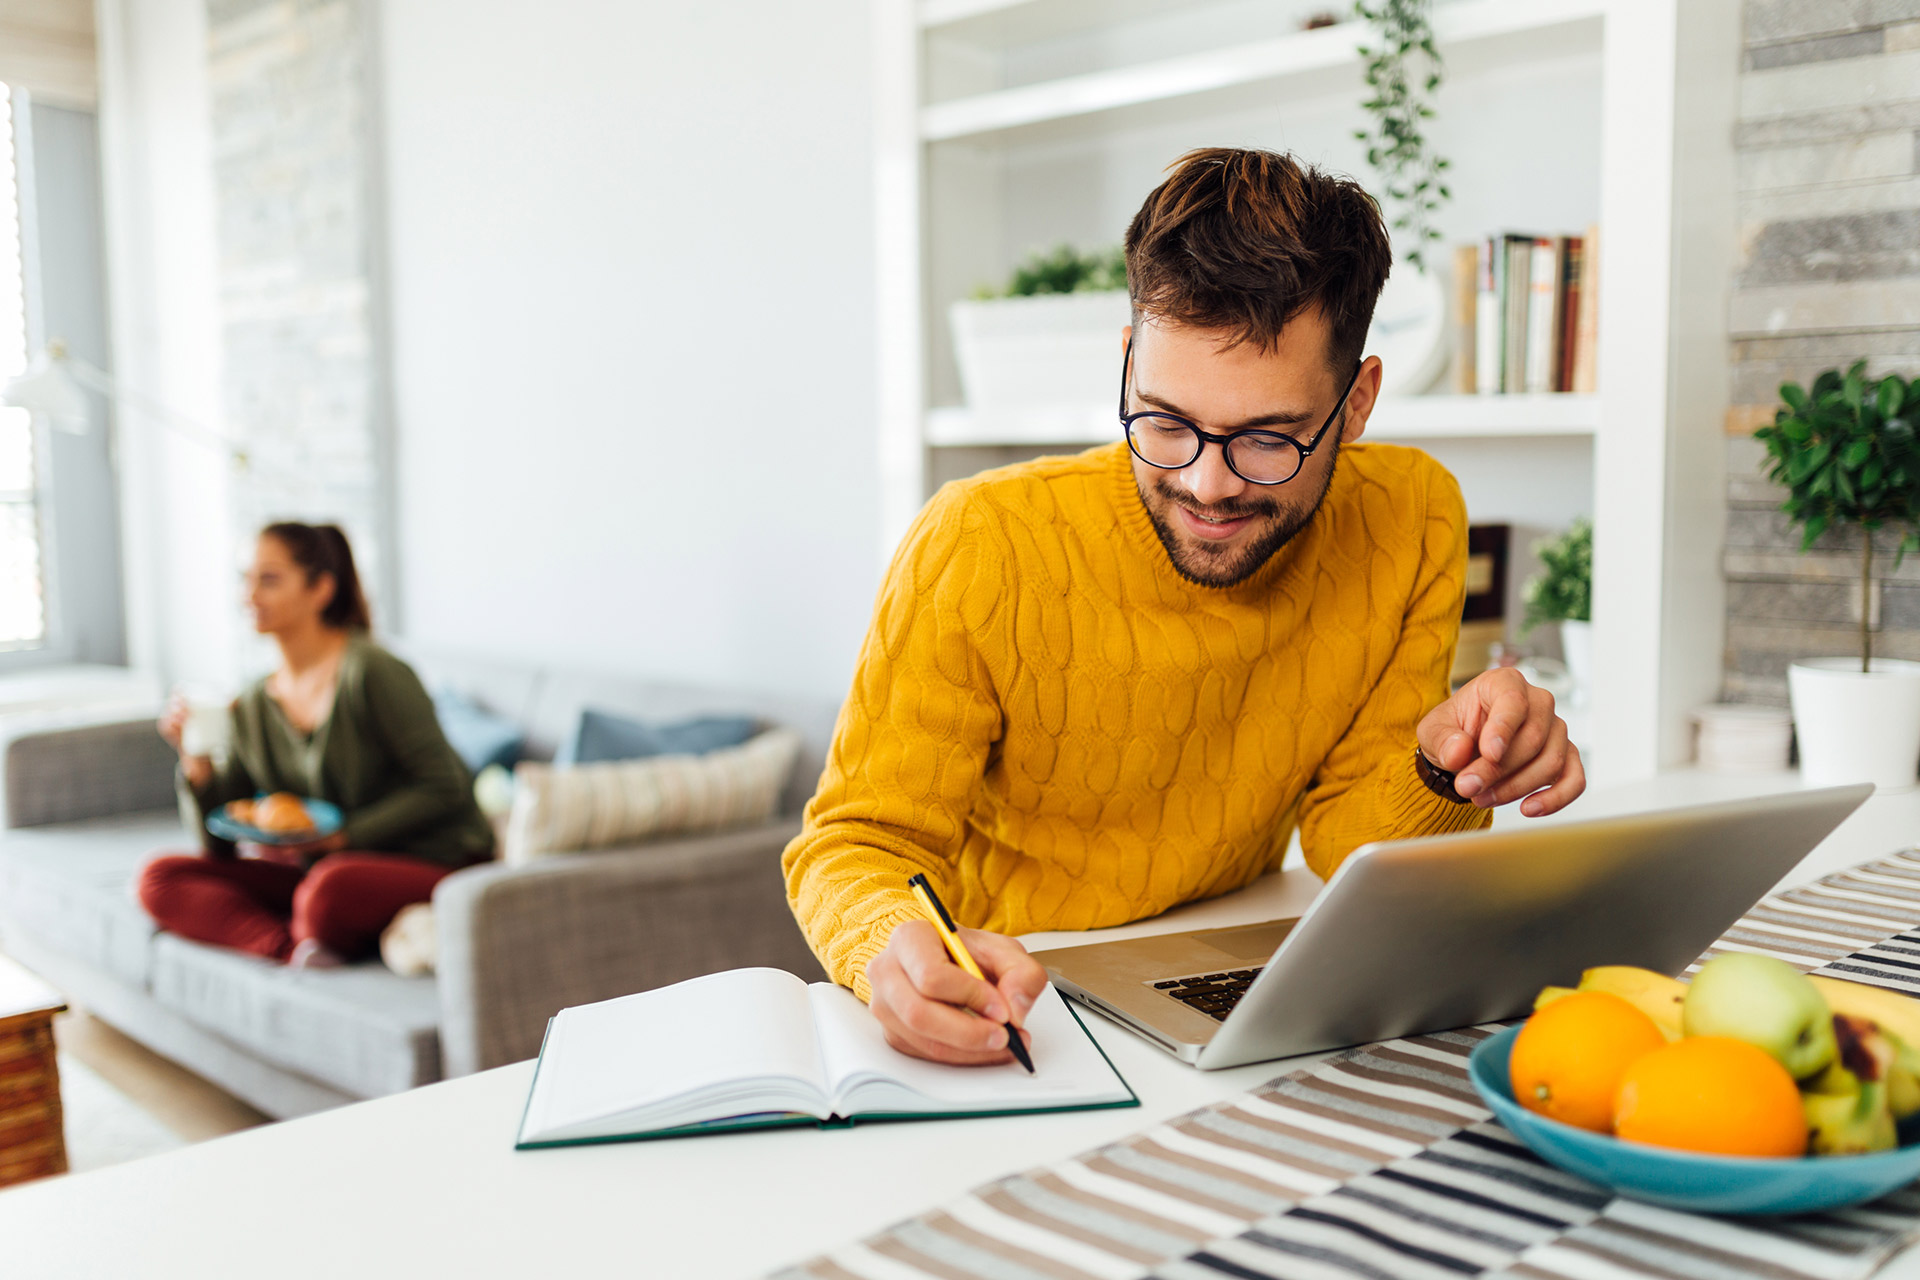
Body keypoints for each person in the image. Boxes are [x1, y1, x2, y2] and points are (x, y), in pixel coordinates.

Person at [783, 148, 1587, 1066]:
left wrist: (1445, 763)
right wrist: (890, 948)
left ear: (1357, 402)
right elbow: (855, 842)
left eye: (1269, 439)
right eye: (1164, 421)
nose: (1206, 485)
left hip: (1228, 978)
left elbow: (1344, 840)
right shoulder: (983, 541)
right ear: (1128, 362)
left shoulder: (1411, 513)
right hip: (1016, 1003)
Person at [140, 522, 494, 967]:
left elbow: (445, 787)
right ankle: (293, 949)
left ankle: (311, 926)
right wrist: (195, 761)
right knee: (159, 878)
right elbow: (220, 846)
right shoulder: (253, 702)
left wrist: (344, 836)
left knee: (329, 889)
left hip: (427, 859)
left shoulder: (373, 672)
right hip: (319, 869)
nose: (248, 596)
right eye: (244, 580)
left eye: (268, 580)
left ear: (321, 589)